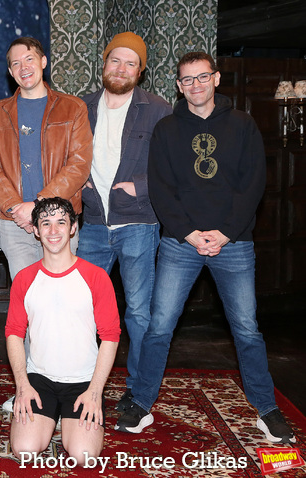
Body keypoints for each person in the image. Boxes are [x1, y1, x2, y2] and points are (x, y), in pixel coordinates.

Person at [115, 52, 296, 445]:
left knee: (246, 329)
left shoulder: (243, 125)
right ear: (178, 87)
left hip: (234, 244)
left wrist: (226, 233)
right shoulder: (166, 129)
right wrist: (189, 233)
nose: (195, 85)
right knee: (159, 325)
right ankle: (142, 402)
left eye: (202, 77)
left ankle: (267, 409)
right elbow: (161, 189)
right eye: (187, 80)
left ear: (215, 79)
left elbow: (253, 184)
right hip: (181, 243)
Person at [78, 32, 172, 411]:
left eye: (130, 63)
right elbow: (66, 155)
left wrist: (141, 187)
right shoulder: (81, 107)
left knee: (139, 312)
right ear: (104, 65)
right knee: (81, 307)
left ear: (141, 71)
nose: (121, 68)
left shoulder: (159, 110)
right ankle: (79, 382)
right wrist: (76, 181)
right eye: (115, 60)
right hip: (93, 225)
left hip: (138, 224)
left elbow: (173, 167)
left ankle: (137, 391)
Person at [6, 197, 120, 462]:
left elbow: (111, 337)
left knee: (84, 455)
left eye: (61, 222)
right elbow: (13, 333)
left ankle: (63, 419)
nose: (53, 231)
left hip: (83, 382)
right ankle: (50, 417)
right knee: (25, 450)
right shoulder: (25, 278)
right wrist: (22, 386)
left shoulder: (96, 277)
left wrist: (95, 392)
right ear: (35, 230)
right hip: (40, 379)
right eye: (45, 223)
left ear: (73, 228)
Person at [0, 36, 93, 280]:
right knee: (27, 296)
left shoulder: (74, 108)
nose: (24, 67)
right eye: (16, 64)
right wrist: (16, 208)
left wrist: (40, 204)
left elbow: (80, 163)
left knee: (61, 294)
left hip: (58, 218)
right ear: (11, 72)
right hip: (15, 221)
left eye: (29, 59)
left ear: (43, 61)